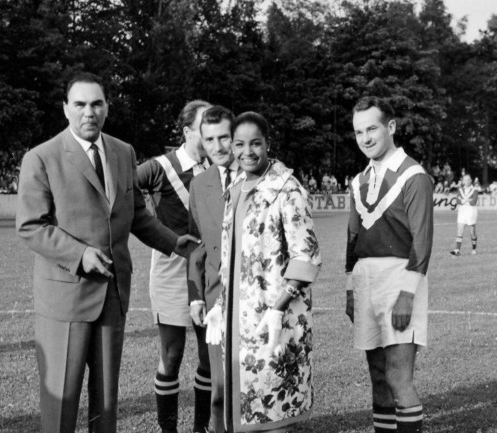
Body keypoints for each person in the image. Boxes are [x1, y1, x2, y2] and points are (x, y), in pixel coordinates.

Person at [16, 72, 198, 433]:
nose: (89, 112)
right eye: (80, 104)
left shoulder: (122, 152)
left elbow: (136, 214)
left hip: (112, 295)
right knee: (61, 405)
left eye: (97, 104)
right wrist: (79, 255)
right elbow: (30, 226)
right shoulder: (41, 158)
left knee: (107, 404)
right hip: (64, 298)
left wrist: (171, 241)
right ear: (65, 108)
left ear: (107, 107)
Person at [204, 111, 322, 432]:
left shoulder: (287, 188)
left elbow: (306, 256)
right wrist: (220, 303)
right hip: (238, 323)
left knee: (273, 416)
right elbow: (233, 257)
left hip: (276, 321)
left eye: (255, 143)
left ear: (268, 143)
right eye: (239, 144)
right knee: (243, 414)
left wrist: (278, 308)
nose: (247, 152)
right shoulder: (237, 187)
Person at [344, 96, 433, 433]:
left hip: (400, 278)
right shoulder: (358, 181)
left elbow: (422, 242)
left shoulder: (414, 176)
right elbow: (352, 240)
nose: (365, 138)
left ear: (391, 127)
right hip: (366, 278)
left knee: (398, 375)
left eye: (372, 129)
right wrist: (350, 289)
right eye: (358, 132)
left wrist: (407, 295)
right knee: (378, 375)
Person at [137, 100, 213, 433]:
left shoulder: (218, 166)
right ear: (186, 132)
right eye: (203, 128)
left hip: (209, 272)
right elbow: (125, 191)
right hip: (170, 269)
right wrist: (159, 228)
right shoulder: (160, 167)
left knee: (210, 356)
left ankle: (201, 430)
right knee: (172, 355)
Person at [187, 105, 239, 433]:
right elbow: (196, 247)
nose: (218, 147)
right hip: (216, 301)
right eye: (210, 140)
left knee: (254, 389)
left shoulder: (262, 177)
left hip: (256, 303)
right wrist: (195, 296)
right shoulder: (199, 184)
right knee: (219, 391)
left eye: (224, 138)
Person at [450, 173, 479, 256]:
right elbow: (458, 201)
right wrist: (466, 200)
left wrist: (463, 200)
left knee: (472, 231)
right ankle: (457, 250)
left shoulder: (474, 190)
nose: (467, 181)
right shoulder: (460, 190)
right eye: (465, 180)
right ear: (463, 181)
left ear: (471, 180)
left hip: (471, 211)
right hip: (462, 211)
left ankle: (474, 248)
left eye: (468, 180)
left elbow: (473, 202)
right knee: (460, 230)